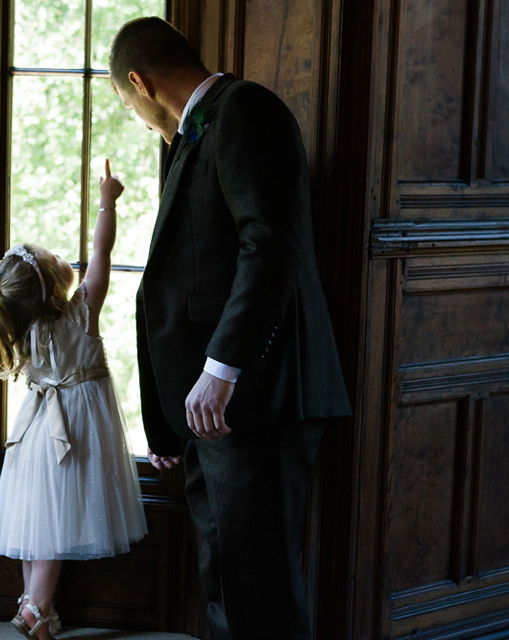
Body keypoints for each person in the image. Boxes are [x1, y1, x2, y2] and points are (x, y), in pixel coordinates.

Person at [109, 17, 352, 640]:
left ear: (140, 83)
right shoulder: (192, 136)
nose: (138, 118)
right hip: (212, 412)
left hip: (256, 398)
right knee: (224, 579)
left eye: (129, 104)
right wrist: (169, 418)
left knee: (257, 590)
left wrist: (222, 370)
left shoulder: (245, 110)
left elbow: (269, 246)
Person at [0, 160, 147, 640]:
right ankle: (37, 608)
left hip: (38, 431)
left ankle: (33, 608)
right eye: (56, 258)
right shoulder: (81, 312)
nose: (65, 258)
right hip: (73, 428)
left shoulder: (21, 327)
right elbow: (103, 250)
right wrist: (107, 202)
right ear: (56, 285)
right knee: (54, 526)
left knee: (37, 521)